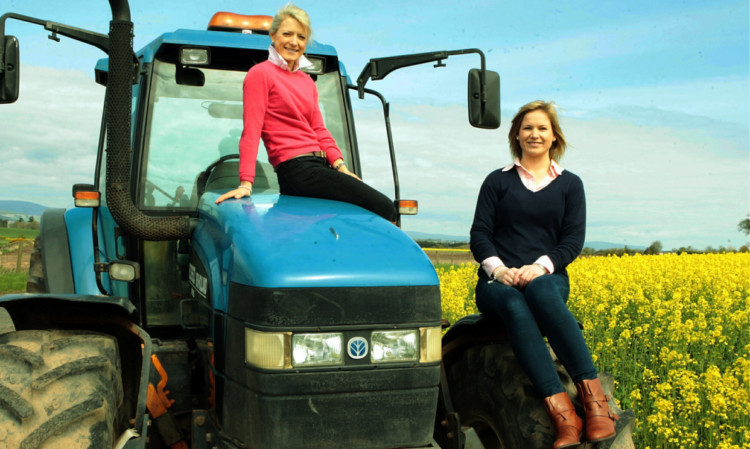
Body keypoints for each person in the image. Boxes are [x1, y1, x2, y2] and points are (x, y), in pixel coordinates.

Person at [469, 101, 618, 448]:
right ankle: (563, 415)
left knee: (541, 292)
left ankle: (596, 407)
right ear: (517, 136)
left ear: (554, 137)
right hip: (497, 283)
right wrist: (500, 269)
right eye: (527, 128)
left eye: (542, 128)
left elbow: (571, 240)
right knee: (515, 306)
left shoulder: (570, 185)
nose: (534, 134)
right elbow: (480, 234)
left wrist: (540, 267)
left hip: (547, 276)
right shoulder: (497, 181)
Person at [215, 4, 396, 222]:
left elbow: (319, 129)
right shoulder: (260, 74)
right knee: (384, 207)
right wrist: (246, 182)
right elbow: (252, 131)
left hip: (319, 166)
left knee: (343, 220)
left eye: (301, 36)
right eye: (287, 34)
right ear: (273, 35)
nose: (294, 41)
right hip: (296, 170)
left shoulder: (306, 81)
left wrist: (341, 168)